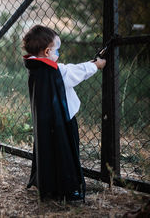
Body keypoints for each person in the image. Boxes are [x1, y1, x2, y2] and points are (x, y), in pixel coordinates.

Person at [22, 25, 106, 201]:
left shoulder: (35, 68)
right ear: (47, 51)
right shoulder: (56, 71)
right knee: (66, 152)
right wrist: (96, 66)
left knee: (49, 152)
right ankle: (69, 188)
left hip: (45, 123)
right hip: (63, 121)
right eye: (56, 50)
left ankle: (49, 184)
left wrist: (90, 64)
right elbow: (76, 71)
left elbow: (70, 68)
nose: (58, 54)